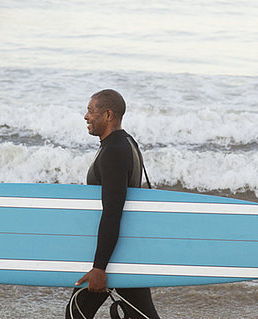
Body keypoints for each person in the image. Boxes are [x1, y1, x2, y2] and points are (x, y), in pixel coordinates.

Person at [65, 89, 160, 319]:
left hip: (116, 255)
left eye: (90, 110)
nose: (86, 116)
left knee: (76, 313)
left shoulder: (114, 151)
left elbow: (112, 212)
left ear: (108, 115)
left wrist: (99, 268)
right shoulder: (126, 142)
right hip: (125, 250)